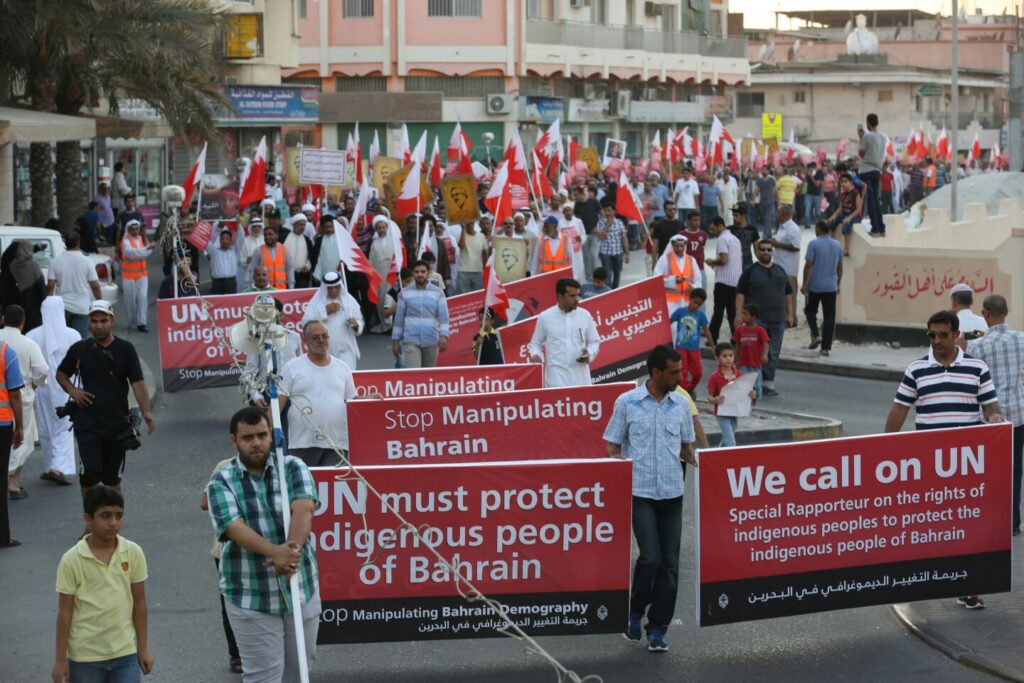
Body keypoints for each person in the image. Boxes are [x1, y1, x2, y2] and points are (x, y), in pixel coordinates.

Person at [885, 309, 1003, 611]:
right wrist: (884, 446)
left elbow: (990, 407)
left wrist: (994, 418)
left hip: (966, 464)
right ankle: (925, 578)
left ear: (956, 335)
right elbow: (900, 409)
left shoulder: (977, 368)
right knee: (930, 522)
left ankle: (969, 587)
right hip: (927, 463)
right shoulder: (916, 369)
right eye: (931, 335)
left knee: (967, 525)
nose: (936, 341)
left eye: (942, 335)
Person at [206, 407, 321, 681]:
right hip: (250, 595)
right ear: (234, 440)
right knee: (264, 677)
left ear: (272, 435)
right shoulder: (221, 480)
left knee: (299, 673)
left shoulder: (293, 467)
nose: (256, 443)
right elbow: (233, 527)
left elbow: (304, 508)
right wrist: (276, 554)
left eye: (262, 435)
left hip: (299, 588)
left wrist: (290, 554)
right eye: (248, 437)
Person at [604, 345, 697, 653]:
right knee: (651, 558)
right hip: (640, 493)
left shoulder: (682, 404)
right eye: (674, 372)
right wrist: (618, 465)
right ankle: (635, 610)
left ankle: (657, 627)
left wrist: (709, 463)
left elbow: (686, 447)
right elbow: (612, 446)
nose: (679, 377)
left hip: (673, 493)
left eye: (680, 370)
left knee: (670, 565)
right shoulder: (627, 402)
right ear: (656, 373)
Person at [53, 486, 153, 683]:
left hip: (125, 654)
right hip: (85, 658)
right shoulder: (71, 560)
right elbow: (65, 612)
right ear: (88, 519)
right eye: (105, 516)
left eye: (118, 515)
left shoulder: (133, 553)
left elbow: (139, 603)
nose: (113, 523)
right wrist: (60, 660)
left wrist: (142, 649)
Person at [55, 300, 154, 494]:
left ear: (112, 321)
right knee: (89, 476)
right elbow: (61, 373)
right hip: (87, 424)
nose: (99, 325)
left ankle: (113, 520)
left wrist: (147, 412)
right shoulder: (80, 349)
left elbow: (137, 382)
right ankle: (91, 519)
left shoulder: (125, 349)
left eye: (103, 320)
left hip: (117, 425)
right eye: (94, 321)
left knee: (111, 479)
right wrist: (73, 391)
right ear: (89, 323)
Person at [956, 294, 1024, 536]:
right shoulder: (1021, 339)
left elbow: (966, 365)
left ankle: (990, 517)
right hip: (1019, 413)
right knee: (1016, 469)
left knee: (991, 470)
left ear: (985, 314)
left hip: (991, 417)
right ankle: (1013, 522)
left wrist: (963, 342)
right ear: (1007, 311)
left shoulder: (980, 346)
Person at [280, 320, 356, 466]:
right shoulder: (292, 367)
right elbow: (277, 406)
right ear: (306, 341)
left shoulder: (343, 367)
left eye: (325, 336)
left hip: (336, 444)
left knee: (332, 487)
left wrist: (370, 400)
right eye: (316, 337)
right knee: (304, 488)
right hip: (302, 443)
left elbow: (352, 400)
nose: (321, 340)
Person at [27, 297, 80, 488]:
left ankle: (52, 465)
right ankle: (57, 467)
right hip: (65, 386)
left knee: (46, 425)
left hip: (42, 388)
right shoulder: (72, 334)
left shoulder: (33, 335)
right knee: (63, 427)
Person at [199, 458, 243, 673]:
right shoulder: (224, 467)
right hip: (225, 549)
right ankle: (236, 654)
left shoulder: (282, 466)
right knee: (230, 601)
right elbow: (204, 502)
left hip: (263, 548)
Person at [0, 305, 47, 500]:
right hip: (21, 399)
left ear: (3, 319)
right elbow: (42, 370)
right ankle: (13, 482)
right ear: (23, 321)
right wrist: (35, 385)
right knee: (21, 442)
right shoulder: (28, 344)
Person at [734, 240, 792, 397]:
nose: (766, 252)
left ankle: (768, 382)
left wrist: (790, 314)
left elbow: (788, 293)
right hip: (757, 320)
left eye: (769, 250)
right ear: (757, 252)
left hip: (778, 318)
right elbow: (740, 293)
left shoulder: (780, 270)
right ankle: (751, 381)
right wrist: (739, 314)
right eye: (763, 250)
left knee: (773, 351)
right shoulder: (750, 271)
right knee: (754, 351)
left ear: (772, 252)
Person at [528, 277, 600, 388]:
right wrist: (535, 354)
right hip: (556, 379)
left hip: (581, 379)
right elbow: (535, 343)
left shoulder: (585, 315)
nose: (577, 299)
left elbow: (594, 341)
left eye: (577, 295)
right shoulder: (545, 317)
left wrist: (589, 353)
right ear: (560, 296)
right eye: (572, 296)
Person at [243, 298, 303, 410]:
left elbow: (302, 368)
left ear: (280, 313)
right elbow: (249, 373)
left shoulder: (294, 337)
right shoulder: (256, 340)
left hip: (291, 394)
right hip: (267, 393)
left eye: (273, 310)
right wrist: (256, 397)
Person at [391, 260, 449, 369]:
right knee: (414, 375)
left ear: (428, 273)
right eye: (417, 272)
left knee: (428, 376)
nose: (420, 274)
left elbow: (444, 317)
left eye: (423, 271)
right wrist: (395, 341)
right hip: (411, 340)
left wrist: (444, 336)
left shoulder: (438, 293)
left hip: (431, 339)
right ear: (413, 273)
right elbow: (398, 320)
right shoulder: (404, 293)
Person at [300, 271, 363, 371]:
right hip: (324, 353)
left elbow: (360, 322)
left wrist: (356, 325)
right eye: (330, 288)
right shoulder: (317, 302)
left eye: (337, 287)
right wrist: (325, 311)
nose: (334, 290)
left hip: (346, 352)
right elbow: (305, 323)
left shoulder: (349, 301)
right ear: (325, 288)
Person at [48, 232, 102, 338]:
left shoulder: (55, 261)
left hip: (62, 307)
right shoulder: (87, 261)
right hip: (82, 308)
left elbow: (50, 286)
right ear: (78, 243)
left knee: (61, 339)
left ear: (65, 244)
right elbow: (95, 286)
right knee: (79, 342)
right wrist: (100, 302)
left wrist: (49, 304)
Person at [802, 220, 844, 356]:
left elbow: (808, 265)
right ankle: (825, 348)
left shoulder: (813, 244)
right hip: (831, 286)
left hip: (815, 285)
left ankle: (815, 334)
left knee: (810, 311)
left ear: (819, 229)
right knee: (829, 317)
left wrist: (804, 284)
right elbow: (840, 268)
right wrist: (838, 284)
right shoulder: (837, 245)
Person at [706, 342, 755, 448]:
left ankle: (715, 455)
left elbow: (745, 392)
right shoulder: (715, 377)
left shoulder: (739, 375)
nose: (728, 359)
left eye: (731, 355)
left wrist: (751, 394)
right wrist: (714, 399)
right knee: (731, 441)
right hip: (721, 413)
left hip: (734, 412)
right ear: (717, 358)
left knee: (726, 439)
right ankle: (728, 461)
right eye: (724, 356)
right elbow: (709, 396)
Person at [0, 334, 23, 549]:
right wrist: (21, 427)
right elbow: (14, 394)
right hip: (2, 424)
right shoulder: (6, 352)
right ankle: (2, 536)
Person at [669, 288, 714, 395]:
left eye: (699, 304)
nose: (696, 306)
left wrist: (713, 345)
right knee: (682, 372)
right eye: (695, 302)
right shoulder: (680, 312)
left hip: (694, 349)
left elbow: (706, 330)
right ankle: (683, 393)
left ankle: (690, 388)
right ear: (690, 298)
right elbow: (668, 322)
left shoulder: (701, 315)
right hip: (681, 347)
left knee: (698, 372)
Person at [706, 216, 742, 344]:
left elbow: (724, 259)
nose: (712, 232)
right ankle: (736, 339)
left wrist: (712, 261)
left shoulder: (722, 239)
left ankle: (713, 337)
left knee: (719, 312)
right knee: (732, 312)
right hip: (736, 282)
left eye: (713, 229)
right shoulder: (735, 239)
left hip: (723, 282)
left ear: (720, 226)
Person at [1, 240, 46, 331]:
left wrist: (36, 248)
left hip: (9, 311)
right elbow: (42, 290)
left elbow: (19, 251)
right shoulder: (33, 266)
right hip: (31, 310)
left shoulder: (9, 267)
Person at [653, 235, 702, 315]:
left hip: (688, 301)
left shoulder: (691, 260)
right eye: (677, 246)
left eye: (682, 246)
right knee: (673, 326)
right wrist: (673, 280)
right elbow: (656, 279)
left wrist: (694, 288)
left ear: (685, 245)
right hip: (670, 302)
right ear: (672, 245)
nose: (679, 249)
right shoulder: (664, 259)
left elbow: (698, 279)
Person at [770, 205, 801, 328]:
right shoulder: (781, 228)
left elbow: (796, 246)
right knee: (781, 295)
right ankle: (785, 318)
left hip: (788, 268)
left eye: (777, 213)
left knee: (790, 295)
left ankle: (792, 320)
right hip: (779, 266)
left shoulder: (793, 228)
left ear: (784, 214)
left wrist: (777, 244)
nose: (776, 215)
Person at [120, 219, 154, 333]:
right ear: (128, 230)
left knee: (143, 298)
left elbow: (147, 253)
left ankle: (142, 323)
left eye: (137, 228)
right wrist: (146, 249)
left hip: (142, 275)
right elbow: (131, 254)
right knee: (130, 300)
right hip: (129, 276)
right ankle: (132, 321)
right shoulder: (125, 241)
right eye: (133, 229)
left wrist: (147, 249)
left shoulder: (141, 239)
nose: (135, 231)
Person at [732, 303, 770, 400]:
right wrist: (736, 359)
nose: (742, 316)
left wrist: (765, 354)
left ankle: (755, 403)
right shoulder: (739, 330)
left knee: (756, 385)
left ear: (753, 317)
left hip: (756, 364)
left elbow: (766, 342)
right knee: (743, 385)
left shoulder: (760, 330)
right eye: (742, 313)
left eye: (745, 314)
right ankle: (744, 402)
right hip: (743, 363)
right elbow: (737, 345)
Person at [857, 113, 887, 236]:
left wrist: (860, 137)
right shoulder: (883, 137)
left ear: (868, 123)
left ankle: (875, 228)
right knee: (875, 200)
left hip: (866, 170)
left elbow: (861, 154)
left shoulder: (866, 137)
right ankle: (881, 227)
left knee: (870, 200)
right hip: (877, 170)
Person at [595, 200, 629, 289]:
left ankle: (615, 290)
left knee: (617, 274)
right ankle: (609, 292)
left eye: (609, 210)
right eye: (605, 210)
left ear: (614, 211)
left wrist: (627, 253)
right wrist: (607, 225)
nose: (607, 212)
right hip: (605, 253)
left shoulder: (619, 222)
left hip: (618, 252)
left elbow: (624, 237)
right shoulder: (600, 222)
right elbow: (601, 237)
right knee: (608, 275)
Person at [827, 173, 863, 257]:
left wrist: (849, 218)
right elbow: (840, 207)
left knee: (846, 225)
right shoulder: (842, 194)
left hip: (855, 216)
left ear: (850, 182)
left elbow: (859, 209)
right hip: (844, 215)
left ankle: (846, 249)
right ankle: (831, 245)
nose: (843, 184)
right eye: (842, 182)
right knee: (830, 223)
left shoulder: (855, 193)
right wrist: (834, 216)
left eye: (845, 182)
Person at [251, 225, 293, 290]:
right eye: (265, 235)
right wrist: (253, 289)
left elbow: (289, 269)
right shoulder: (258, 250)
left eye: (270, 234)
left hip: (281, 289)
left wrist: (291, 288)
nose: (267, 237)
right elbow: (252, 271)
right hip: (265, 289)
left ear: (276, 236)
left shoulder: (285, 249)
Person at [574, 185, 602, 280]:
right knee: (586, 258)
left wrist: (599, 228)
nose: (575, 197)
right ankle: (589, 279)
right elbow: (576, 220)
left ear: (582, 193)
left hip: (595, 234)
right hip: (584, 235)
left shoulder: (593, 202)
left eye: (576, 195)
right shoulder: (577, 205)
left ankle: (597, 277)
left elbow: (601, 215)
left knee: (594, 256)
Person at [457, 220, 488, 294]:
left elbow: (485, 253)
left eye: (472, 223)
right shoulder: (460, 234)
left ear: (474, 223)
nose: (470, 225)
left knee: (478, 296)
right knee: (464, 296)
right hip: (463, 271)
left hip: (478, 271)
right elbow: (461, 246)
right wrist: (463, 229)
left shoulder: (481, 236)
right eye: (468, 223)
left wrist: (485, 268)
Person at [557, 203, 586, 281]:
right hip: (565, 252)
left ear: (572, 211)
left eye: (569, 210)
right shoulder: (559, 223)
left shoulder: (578, 221)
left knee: (578, 270)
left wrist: (581, 238)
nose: (568, 212)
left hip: (577, 252)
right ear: (563, 212)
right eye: (566, 211)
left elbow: (584, 235)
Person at [206, 229, 239, 295]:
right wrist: (200, 225)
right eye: (223, 238)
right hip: (217, 283)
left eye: (227, 239)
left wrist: (238, 225)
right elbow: (205, 240)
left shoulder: (234, 251)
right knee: (217, 303)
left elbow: (241, 237)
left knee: (231, 302)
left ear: (230, 240)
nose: (225, 241)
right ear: (220, 240)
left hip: (231, 282)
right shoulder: (213, 251)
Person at [284, 215, 313, 289]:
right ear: (294, 225)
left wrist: (307, 266)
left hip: (302, 275)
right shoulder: (284, 238)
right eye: (300, 225)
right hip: (285, 273)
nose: (302, 227)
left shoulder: (307, 240)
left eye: (304, 225)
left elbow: (311, 256)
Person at [730, 203, 759, 272]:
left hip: (747, 263)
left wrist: (762, 263)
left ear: (743, 216)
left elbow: (757, 250)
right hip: (733, 264)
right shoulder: (729, 230)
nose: (734, 218)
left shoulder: (752, 229)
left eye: (736, 216)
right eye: (733, 215)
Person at [755, 168, 777, 236]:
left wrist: (777, 201)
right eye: (763, 170)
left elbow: (775, 191)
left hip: (770, 202)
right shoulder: (759, 180)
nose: (764, 171)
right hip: (762, 202)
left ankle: (765, 234)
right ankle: (769, 233)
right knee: (765, 219)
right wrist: (752, 199)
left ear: (768, 171)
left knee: (767, 218)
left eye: (765, 170)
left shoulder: (772, 180)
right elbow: (756, 190)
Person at [802, 162, 823, 229]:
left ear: (814, 168)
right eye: (808, 169)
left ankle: (819, 224)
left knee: (817, 211)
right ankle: (807, 224)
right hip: (808, 194)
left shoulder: (819, 174)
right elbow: (804, 181)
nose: (809, 170)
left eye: (810, 168)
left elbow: (817, 185)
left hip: (817, 195)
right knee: (807, 209)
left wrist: (811, 176)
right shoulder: (808, 174)